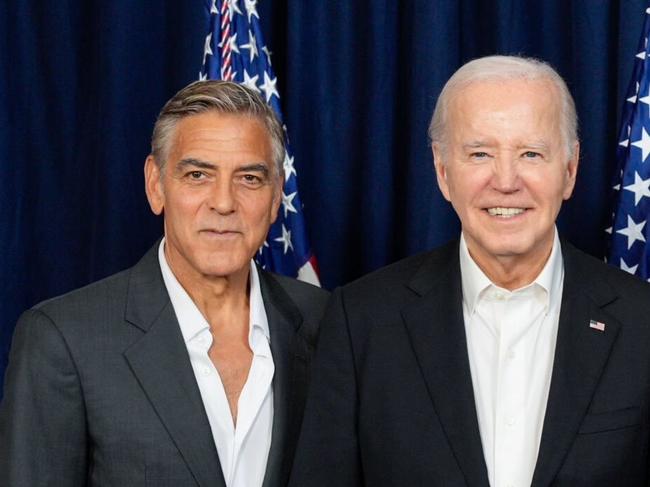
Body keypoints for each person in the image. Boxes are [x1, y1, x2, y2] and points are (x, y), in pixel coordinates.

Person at [289, 55, 650, 486]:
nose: (506, 180)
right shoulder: (361, 322)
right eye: (480, 153)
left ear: (569, 170)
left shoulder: (642, 322)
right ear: (443, 172)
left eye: (531, 153)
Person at [0, 80, 329, 487]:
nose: (223, 202)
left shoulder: (326, 322)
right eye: (197, 175)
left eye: (249, 178)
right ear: (156, 185)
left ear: (277, 196)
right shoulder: (65, 339)